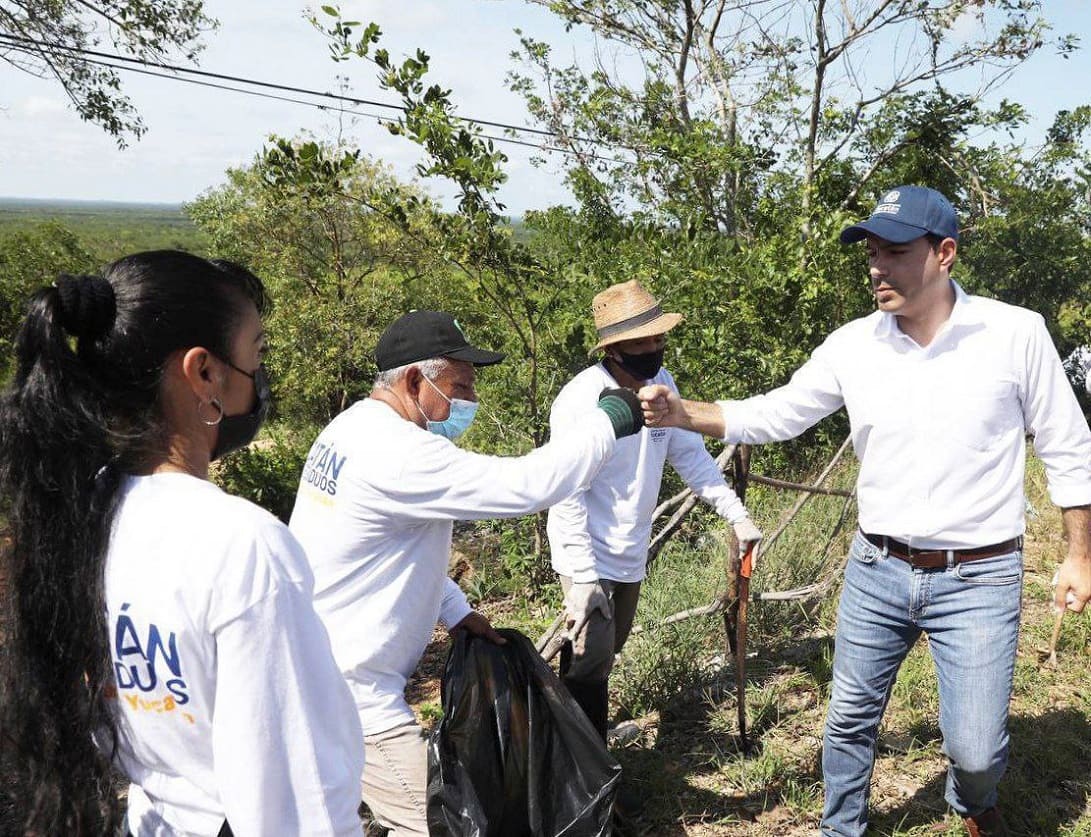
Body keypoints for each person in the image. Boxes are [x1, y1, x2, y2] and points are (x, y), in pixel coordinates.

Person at [638, 186, 1091, 836]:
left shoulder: (1014, 333)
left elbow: (1067, 445)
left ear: (943, 254)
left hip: (980, 575)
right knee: (848, 715)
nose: (876, 266)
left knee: (975, 750)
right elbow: (777, 412)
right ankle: (838, 827)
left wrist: (1078, 555)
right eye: (871, 252)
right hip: (876, 568)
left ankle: (972, 798)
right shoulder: (853, 345)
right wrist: (686, 413)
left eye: (894, 251)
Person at [0, 251, 365, 836]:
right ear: (204, 374)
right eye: (257, 355)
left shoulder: (87, 510)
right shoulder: (241, 545)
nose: (262, 377)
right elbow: (296, 801)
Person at [288, 309, 645, 837]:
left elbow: (384, 550)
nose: (469, 401)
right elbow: (528, 485)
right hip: (352, 692)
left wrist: (455, 610)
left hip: (316, 668)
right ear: (415, 380)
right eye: (460, 384)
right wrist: (606, 422)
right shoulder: (400, 453)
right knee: (433, 824)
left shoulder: (349, 430)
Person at [548, 279, 762, 741]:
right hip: (586, 547)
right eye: (642, 340)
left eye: (658, 338)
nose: (653, 348)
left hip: (629, 548)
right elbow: (566, 493)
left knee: (607, 653)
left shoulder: (661, 384)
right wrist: (583, 577)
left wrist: (736, 515)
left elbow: (690, 456)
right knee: (586, 660)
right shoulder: (581, 400)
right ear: (615, 348)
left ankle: (589, 746)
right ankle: (582, 770)